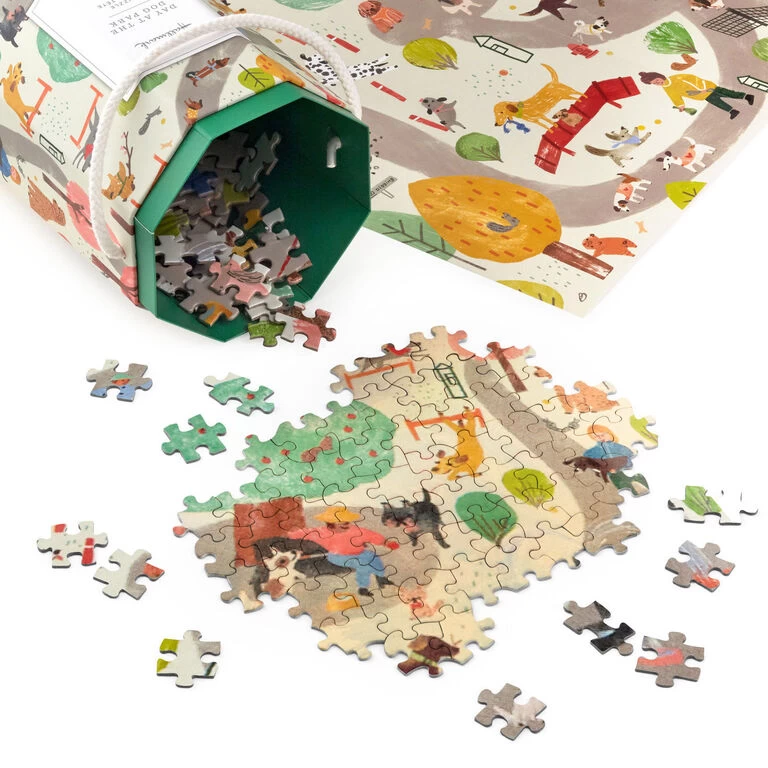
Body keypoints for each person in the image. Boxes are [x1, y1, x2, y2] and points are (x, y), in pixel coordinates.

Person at [287, 506, 399, 596]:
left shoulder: (356, 531)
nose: (347, 525)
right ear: (331, 523)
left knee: (374, 558)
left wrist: (386, 543)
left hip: (360, 553)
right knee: (363, 565)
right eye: (343, 523)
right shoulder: (322, 532)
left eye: (348, 522)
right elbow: (305, 533)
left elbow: (372, 536)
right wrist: (288, 534)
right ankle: (363, 587)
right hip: (339, 557)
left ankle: (381, 578)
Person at [638, 70, 754, 119]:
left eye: (657, 80)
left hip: (707, 88)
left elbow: (692, 78)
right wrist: (680, 105)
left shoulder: (675, 78)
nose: (658, 83)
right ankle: (732, 111)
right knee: (718, 103)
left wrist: (702, 88)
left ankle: (746, 96)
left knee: (728, 93)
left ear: (660, 76)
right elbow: (674, 97)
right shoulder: (666, 88)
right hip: (701, 96)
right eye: (655, 83)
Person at [584, 424, 648, 496]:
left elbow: (628, 459)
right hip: (607, 476)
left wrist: (617, 466)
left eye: (602, 435)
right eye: (596, 437)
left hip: (621, 473)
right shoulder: (591, 452)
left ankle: (635, 486)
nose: (600, 438)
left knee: (633, 481)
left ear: (609, 433)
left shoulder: (620, 447)